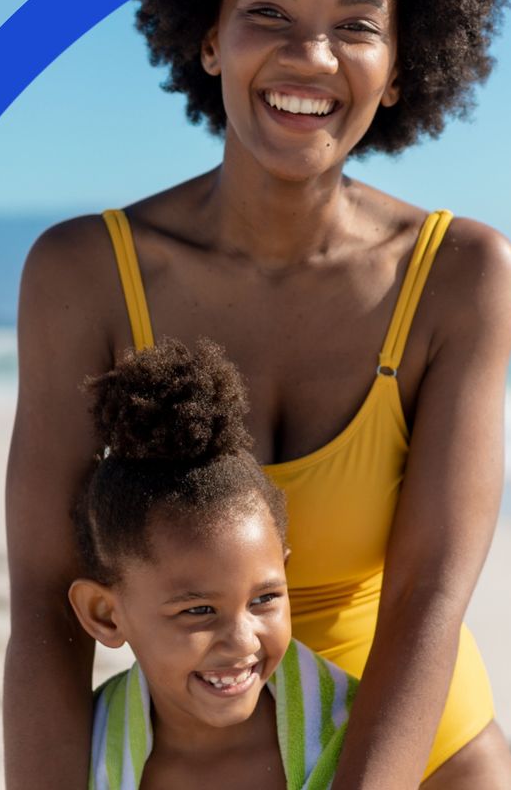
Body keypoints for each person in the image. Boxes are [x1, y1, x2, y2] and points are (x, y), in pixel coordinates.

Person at [5, 0, 511, 789]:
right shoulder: (84, 275)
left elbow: (427, 599)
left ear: (400, 65)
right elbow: (45, 605)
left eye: (356, 25)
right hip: (190, 746)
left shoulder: (461, 276)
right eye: (269, 12)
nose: (309, 56)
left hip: (412, 748)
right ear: (209, 35)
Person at [69, 338, 355, 790]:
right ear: (105, 613)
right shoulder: (84, 750)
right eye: (198, 610)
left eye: (264, 599)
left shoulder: (354, 736)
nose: (243, 642)